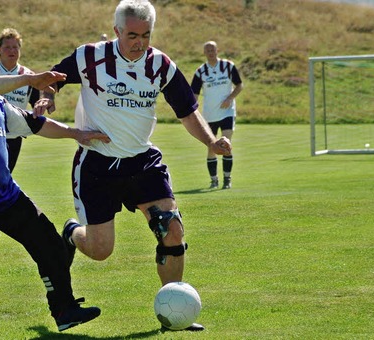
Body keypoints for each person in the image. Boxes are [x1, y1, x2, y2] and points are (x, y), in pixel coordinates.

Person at [33, 0, 232, 332]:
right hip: (97, 165)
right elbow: (51, 80)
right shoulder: (89, 56)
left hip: (142, 163)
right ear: (116, 32)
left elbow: (187, 110)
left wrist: (211, 141)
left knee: (171, 228)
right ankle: (71, 233)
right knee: (100, 251)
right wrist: (48, 96)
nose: (139, 42)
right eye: (132, 35)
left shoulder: (161, 66)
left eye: (146, 35)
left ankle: (174, 313)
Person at [0, 27, 108, 330]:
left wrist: (75, 133)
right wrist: (28, 79)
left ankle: (64, 311)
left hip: (4, 195)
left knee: (49, 242)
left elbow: (32, 124)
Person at [190, 40, 243, 189]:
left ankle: (227, 179)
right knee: (211, 147)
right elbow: (194, 93)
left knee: (226, 143)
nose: (211, 53)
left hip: (227, 112)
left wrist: (230, 98)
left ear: (217, 50)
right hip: (209, 115)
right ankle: (214, 180)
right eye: (208, 50)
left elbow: (239, 85)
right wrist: (192, 110)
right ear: (204, 53)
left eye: (213, 50)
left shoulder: (228, 66)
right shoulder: (201, 71)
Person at [0, 28, 39, 172]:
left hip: (15, 134)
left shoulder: (29, 76)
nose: (11, 51)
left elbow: (37, 101)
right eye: (7, 47)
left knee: (6, 174)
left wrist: (41, 105)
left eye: (15, 47)